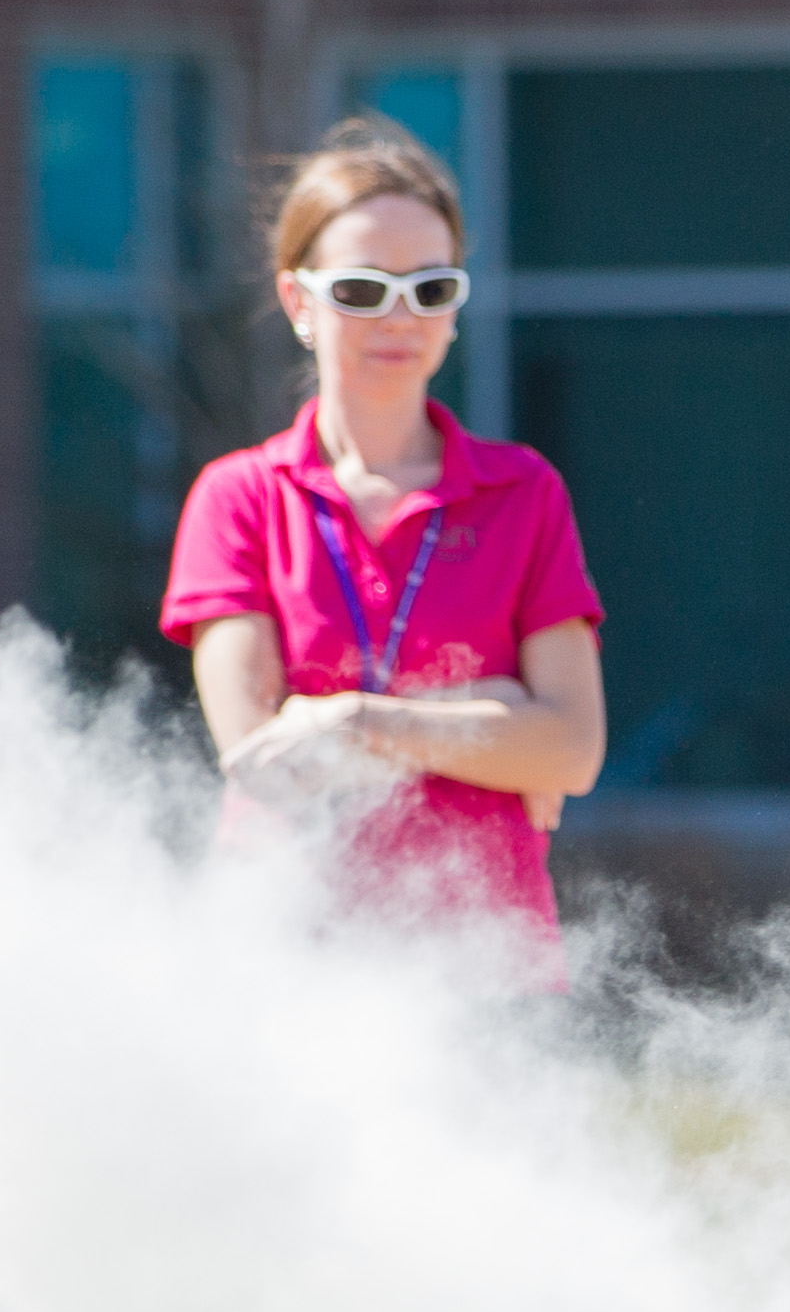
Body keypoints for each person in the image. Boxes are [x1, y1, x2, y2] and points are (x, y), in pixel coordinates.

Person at [162, 119, 607, 947]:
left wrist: (357, 722)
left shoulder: (524, 493)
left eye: (430, 289)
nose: (399, 317)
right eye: (363, 290)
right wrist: (495, 718)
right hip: (287, 957)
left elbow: (573, 749)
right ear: (299, 301)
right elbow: (263, 759)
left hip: (489, 962)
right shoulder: (240, 498)